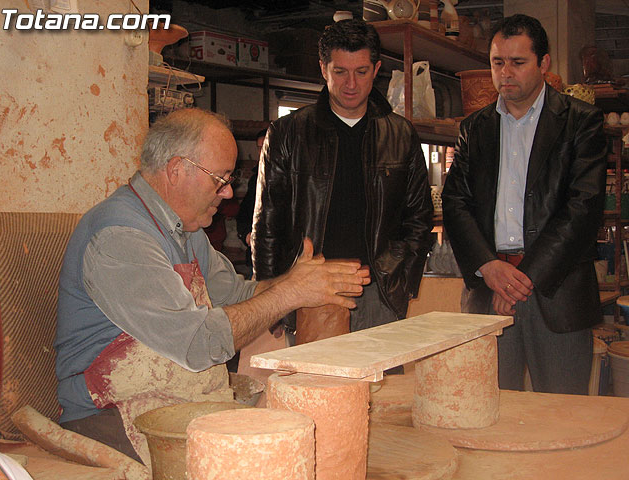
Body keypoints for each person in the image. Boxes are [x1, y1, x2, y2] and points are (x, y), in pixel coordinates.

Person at [53, 108, 370, 462]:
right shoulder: (121, 238)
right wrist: (290, 293)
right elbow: (198, 343)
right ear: (176, 170)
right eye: (219, 178)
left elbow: (237, 297)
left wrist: (299, 282)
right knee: (257, 461)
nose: (229, 192)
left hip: (173, 399)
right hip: (110, 413)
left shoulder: (185, 230)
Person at [442, 14, 607, 395]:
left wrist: (521, 279)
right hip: (489, 290)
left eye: (518, 63)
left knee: (562, 416)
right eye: (498, 62)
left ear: (544, 64)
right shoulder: (475, 128)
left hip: (555, 289)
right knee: (488, 411)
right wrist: (489, 267)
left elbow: (582, 208)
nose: (505, 73)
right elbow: (455, 203)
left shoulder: (580, 122)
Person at [252, 19, 433, 336]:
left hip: (379, 291)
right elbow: (267, 223)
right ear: (323, 69)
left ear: (376, 70)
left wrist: (401, 279)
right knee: (315, 384)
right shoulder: (287, 133)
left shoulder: (401, 135)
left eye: (361, 72)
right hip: (310, 291)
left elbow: (418, 216)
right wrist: (269, 298)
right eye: (340, 72)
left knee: (385, 384)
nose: (351, 83)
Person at [236, 128, 268, 278]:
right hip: (256, 255)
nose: (262, 152)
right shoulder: (256, 179)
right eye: (259, 147)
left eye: (266, 146)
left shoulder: (292, 179)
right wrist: (246, 234)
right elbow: (244, 213)